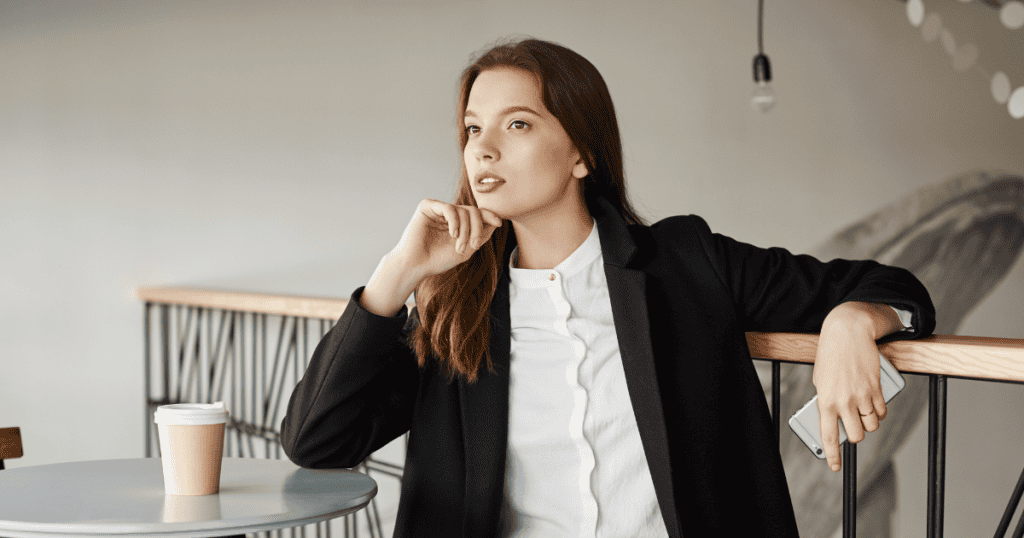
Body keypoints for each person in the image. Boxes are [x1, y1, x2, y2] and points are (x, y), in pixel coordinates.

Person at [280, 37, 936, 538]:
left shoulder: (686, 263)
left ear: (581, 154)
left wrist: (851, 320)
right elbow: (317, 442)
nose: (482, 150)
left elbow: (894, 286)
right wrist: (398, 273)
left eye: (517, 124)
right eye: (472, 129)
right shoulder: (453, 308)